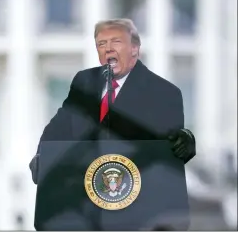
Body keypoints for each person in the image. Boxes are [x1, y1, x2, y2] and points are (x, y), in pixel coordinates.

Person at [29, 18, 196, 184]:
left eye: (116, 42)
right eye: (101, 44)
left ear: (134, 49)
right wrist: (42, 157)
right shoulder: (84, 81)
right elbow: (60, 127)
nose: (108, 49)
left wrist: (185, 141)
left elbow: (173, 143)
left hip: (136, 194)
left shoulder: (164, 91)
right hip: (85, 195)